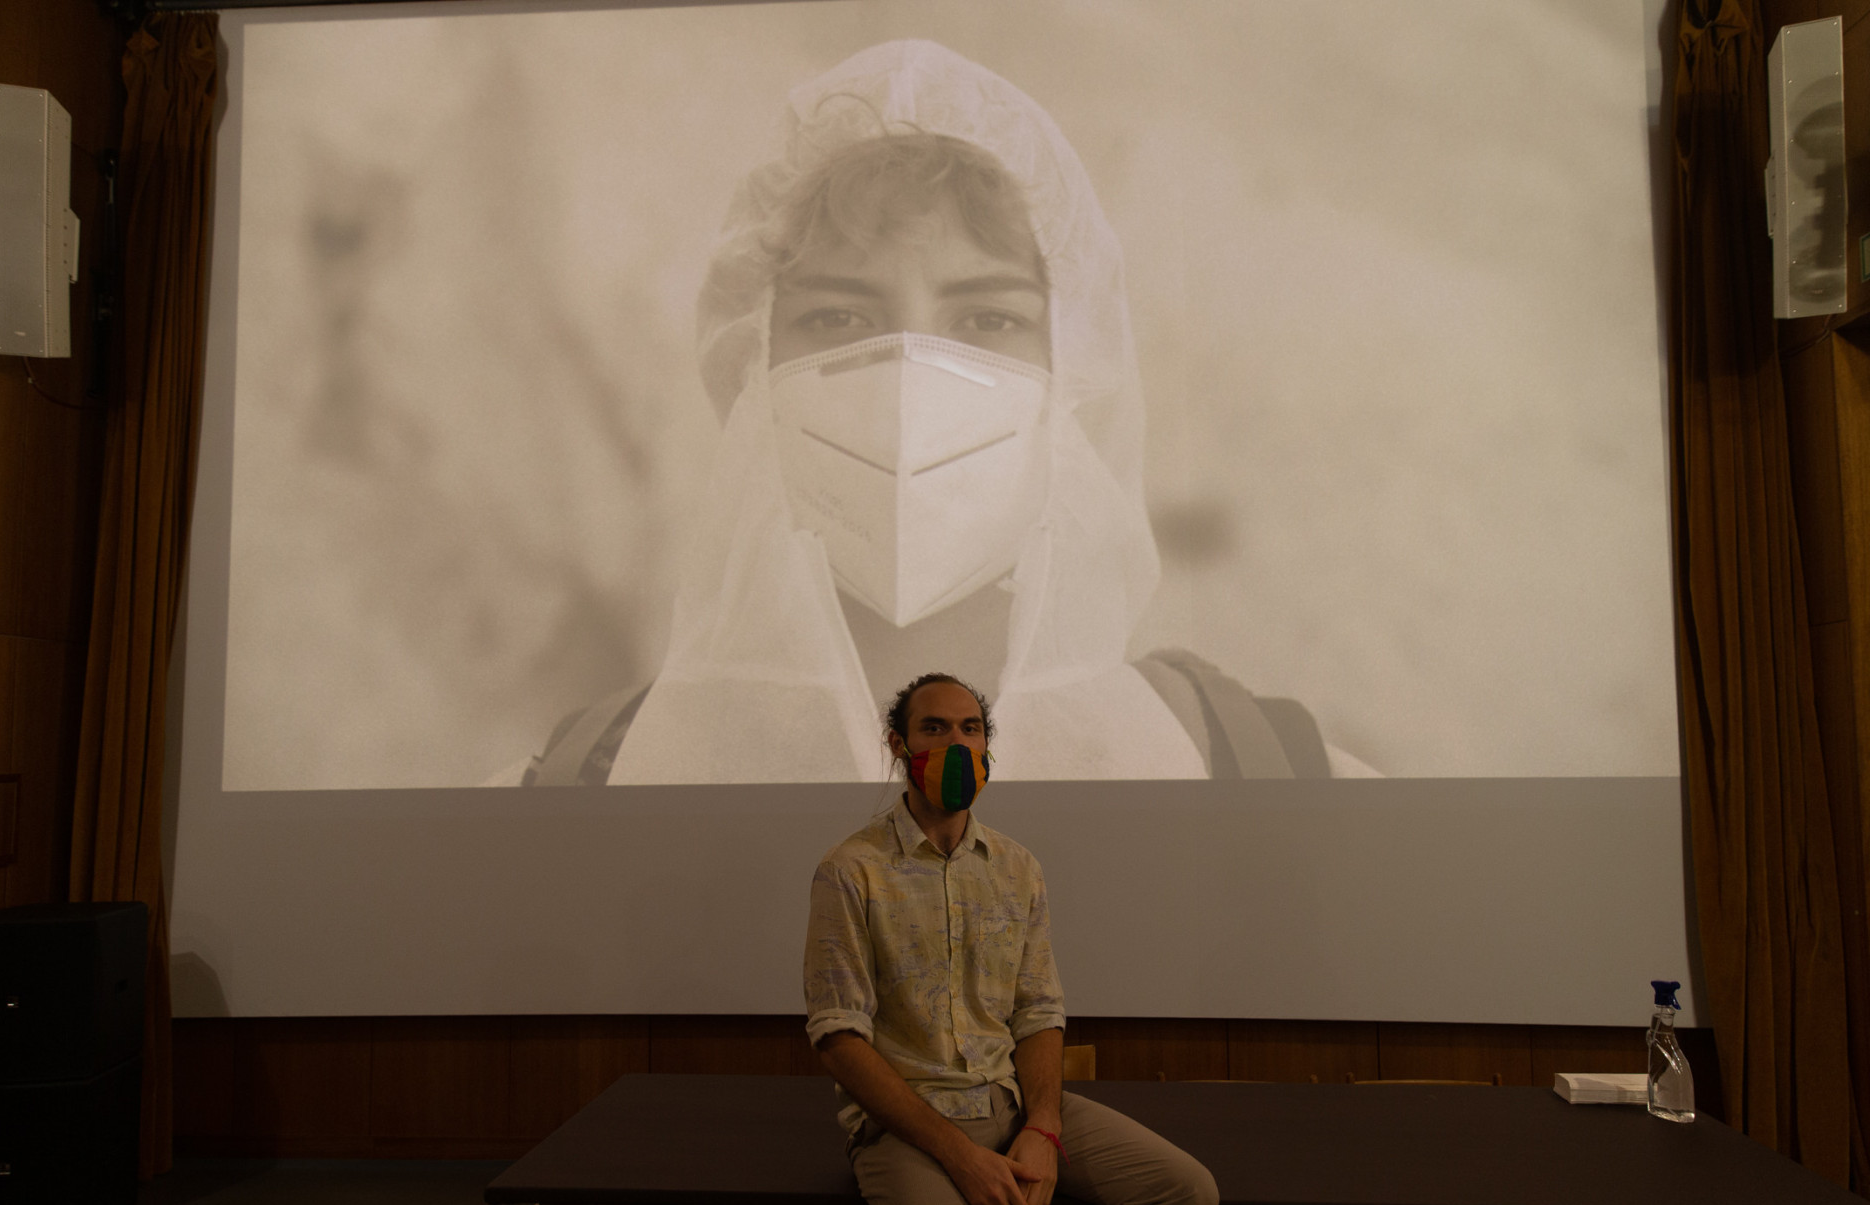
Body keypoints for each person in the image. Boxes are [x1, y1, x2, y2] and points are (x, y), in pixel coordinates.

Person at [513, 38, 1361, 787]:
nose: (909, 382)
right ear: (753, 367)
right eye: (839, 318)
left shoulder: (1259, 776)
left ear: (1073, 373)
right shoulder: (588, 789)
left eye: (987, 320)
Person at [805, 671, 1220, 1205]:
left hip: (1011, 1103)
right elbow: (838, 1038)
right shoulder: (851, 869)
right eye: (934, 728)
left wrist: (1045, 1126)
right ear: (897, 745)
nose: (956, 744)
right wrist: (960, 1156)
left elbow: (1038, 1011)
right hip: (909, 1132)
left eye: (970, 729)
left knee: (1183, 1194)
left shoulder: (1016, 867)